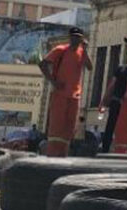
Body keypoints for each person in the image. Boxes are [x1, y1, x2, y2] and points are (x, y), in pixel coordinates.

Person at [38, 27, 92, 157]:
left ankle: (63, 154)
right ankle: (52, 153)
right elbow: (43, 64)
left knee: (70, 127)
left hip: (74, 96)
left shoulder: (81, 52)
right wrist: (53, 81)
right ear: (70, 38)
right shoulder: (60, 50)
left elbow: (90, 67)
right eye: (74, 37)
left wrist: (85, 50)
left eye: (79, 37)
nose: (76, 39)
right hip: (60, 94)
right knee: (57, 125)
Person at [98, 61, 127, 153]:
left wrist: (103, 101)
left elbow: (112, 85)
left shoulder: (121, 69)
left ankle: (105, 148)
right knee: (125, 126)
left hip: (116, 101)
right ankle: (122, 149)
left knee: (111, 125)